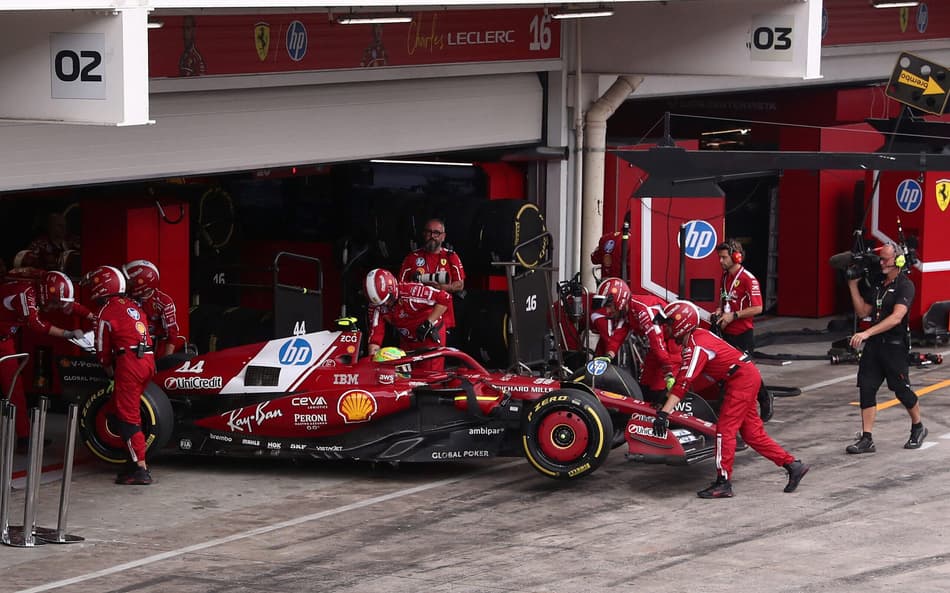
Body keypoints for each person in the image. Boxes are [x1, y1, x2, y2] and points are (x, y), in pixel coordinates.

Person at [652, 300, 808, 498]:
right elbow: (689, 381)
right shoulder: (698, 337)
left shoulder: (695, 346)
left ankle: (723, 483)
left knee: (724, 431)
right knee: (753, 435)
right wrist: (666, 401)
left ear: (680, 324)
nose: (665, 328)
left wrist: (664, 413)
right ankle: (793, 465)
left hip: (740, 381)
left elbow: (684, 383)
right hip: (744, 377)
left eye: (668, 324)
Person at [846, 242, 926, 453]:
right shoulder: (879, 284)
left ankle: (918, 426)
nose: (881, 263)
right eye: (880, 259)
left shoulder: (905, 286)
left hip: (894, 346)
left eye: (885, 259)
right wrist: (853, 286)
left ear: (898, 260)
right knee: (866, 388)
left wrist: (866, 333)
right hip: (875, 346)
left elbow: (896, 317)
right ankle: (867, 438)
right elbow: (863, 312)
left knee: (901, 390)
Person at [0, 271, 87, 448]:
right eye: (55, 302)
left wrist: (92, 316)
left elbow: (69, 306)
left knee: (15, 388)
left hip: (4, 340)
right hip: (3, 340)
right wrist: (67, 333)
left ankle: (24, 437)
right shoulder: (24, 294)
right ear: (48, 294)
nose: (56, 307)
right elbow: (36, 324)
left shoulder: (39, 290)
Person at [86, 265, 156, 485]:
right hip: (148, 361)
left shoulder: (105, 312)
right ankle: (131, 461)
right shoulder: (133, 306)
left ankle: (140, 469)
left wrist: (109, 372)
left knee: (128, 418)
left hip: (129, 365)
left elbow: (101, 351)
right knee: (122, 411)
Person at [591, 278, 678, 404]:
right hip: (658, 350)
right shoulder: (627, 310)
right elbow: (618, 335)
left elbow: (657, 341)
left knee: (658, 392)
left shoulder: (643, 310)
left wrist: (668, 372)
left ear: (619, 300)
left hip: (672, 348)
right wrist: (608, 356)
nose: (607, 311)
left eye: (609, 306)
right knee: (644, 387)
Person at [714, 239, 772, 422]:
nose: (721, 261)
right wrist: (719, 311)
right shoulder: (725, 277)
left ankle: (764, 397)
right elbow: (723, 299)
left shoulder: (748, 279)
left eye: (724, 257)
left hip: (743, 334)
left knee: (747, 371)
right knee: (727, 372)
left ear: (736, 257)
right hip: (726, 333)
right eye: (720, 257)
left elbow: (758, 308)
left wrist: (734, 315)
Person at [365, 268, 450, 371]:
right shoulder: (377, 306)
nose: (386, 304)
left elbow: (445, 298)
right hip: (406, 341)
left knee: (430, 375)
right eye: (382, 303)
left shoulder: (411, 291)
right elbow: (375, 336)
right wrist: (373, 362)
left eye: (388, 299)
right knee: (404, 375)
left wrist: (428, 323)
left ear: (393, 289)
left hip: (429, 338)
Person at [398, 218, 465, 344]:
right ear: (424, 234)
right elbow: (399, 287)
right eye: (429, 232)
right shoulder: (412, 258)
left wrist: (440, 287)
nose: (432, 236)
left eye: (436, 233)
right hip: (415, 318)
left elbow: (460, 285)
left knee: (440, 354)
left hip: (443, 317)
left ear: (443, 236)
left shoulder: (451, 256)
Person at [123, 259, 180, 358]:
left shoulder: (163, 302)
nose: (125, 284)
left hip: (155, 351)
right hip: (128, 348)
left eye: (129, 282)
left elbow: (172, 335)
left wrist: (166, 361)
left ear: (141, 285)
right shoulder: (124, 299)